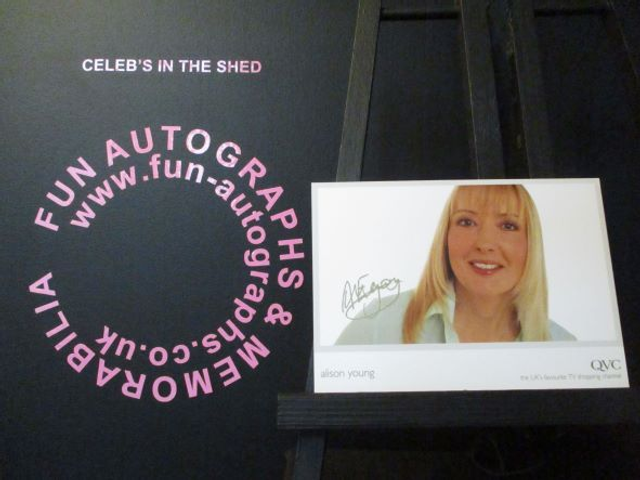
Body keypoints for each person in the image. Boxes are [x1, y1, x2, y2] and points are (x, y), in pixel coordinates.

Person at [336, 184, 575, 344]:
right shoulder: (379, 323)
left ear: (531, 243)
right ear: (445, 236)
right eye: (467, 222)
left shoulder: (564, 346)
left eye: (508, 226)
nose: (485, 244)